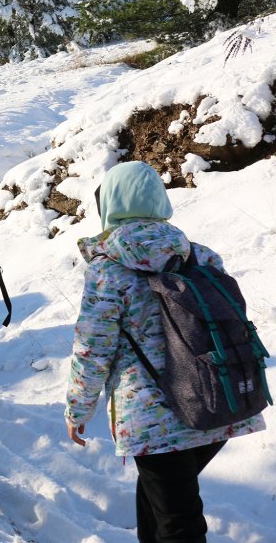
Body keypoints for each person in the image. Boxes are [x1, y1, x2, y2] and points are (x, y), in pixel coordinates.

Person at [65, 161, 265, 543]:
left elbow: (93, 348)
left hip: (152, 417)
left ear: (109, 204)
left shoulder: (109, 269)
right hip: (214, 401)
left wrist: (77, 408)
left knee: (178, 521)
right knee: (160, 503)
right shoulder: (201, 256)